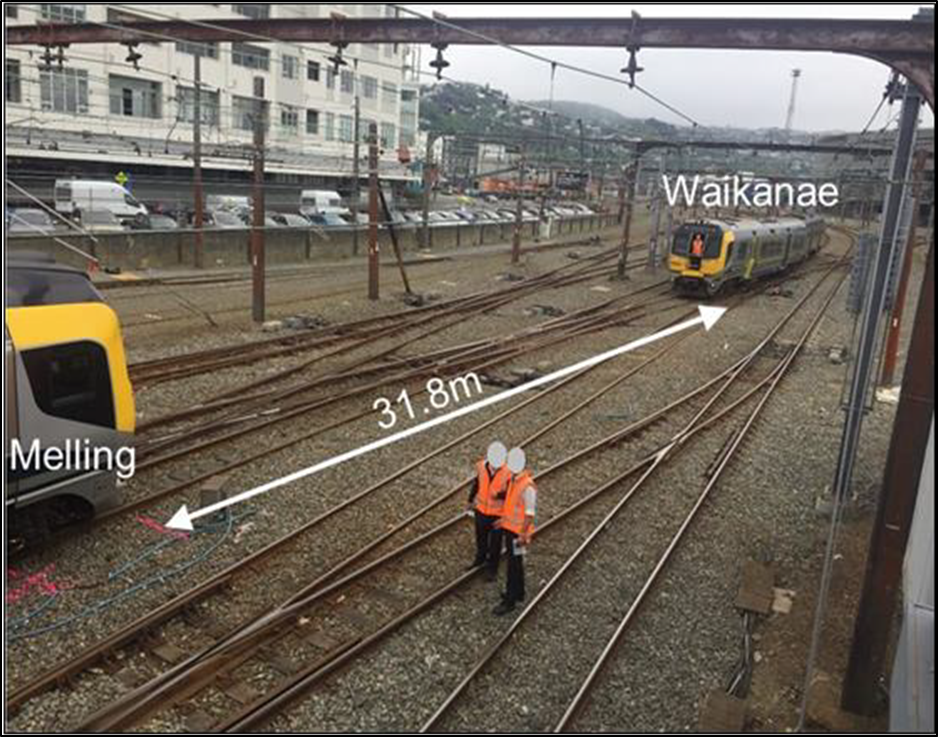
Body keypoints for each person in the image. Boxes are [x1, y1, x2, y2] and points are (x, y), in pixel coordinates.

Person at [493, 447, 537, 616]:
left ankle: (510, 601)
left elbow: (529, 514)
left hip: (518, 534)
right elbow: (512, 508)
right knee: (516, 564)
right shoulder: (514, 481)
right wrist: (503, 521)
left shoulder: (527, 486)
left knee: (513, 565)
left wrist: (522, 535)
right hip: (511, 530)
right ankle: (519, 593)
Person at [467, 441, 511, 580]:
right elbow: (477, 483)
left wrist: (500, 496)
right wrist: (470, 499)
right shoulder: (481, 467)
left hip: (498, 515)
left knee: (495, 544)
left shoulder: (508, 473)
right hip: (481, 511)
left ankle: (492, 570)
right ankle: (479, 560)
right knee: (481, 539)